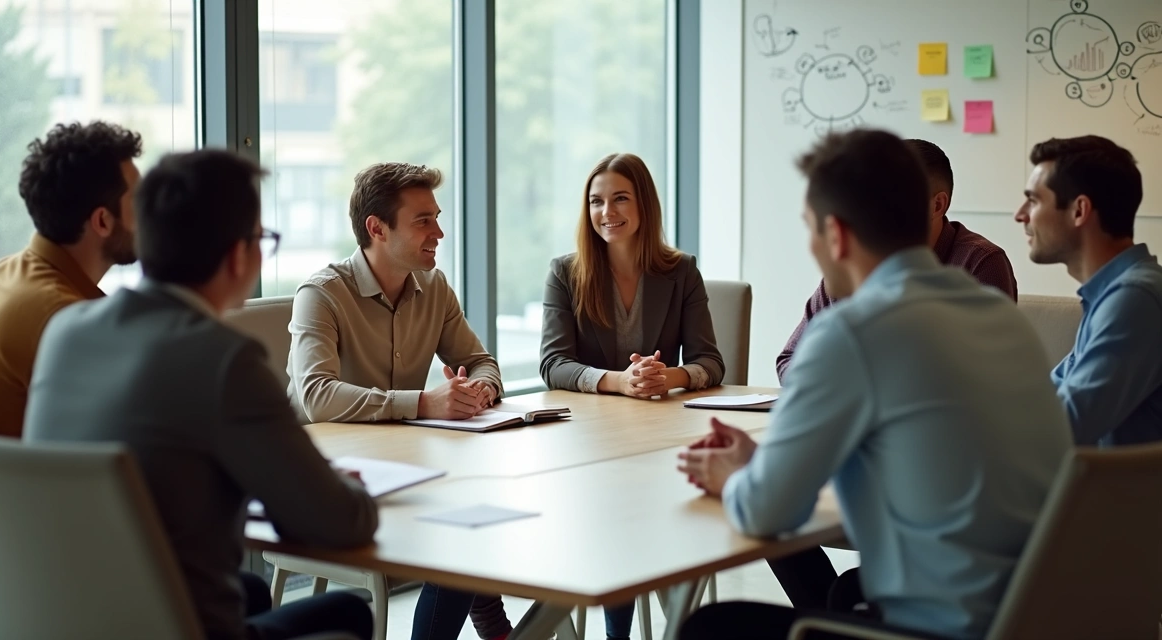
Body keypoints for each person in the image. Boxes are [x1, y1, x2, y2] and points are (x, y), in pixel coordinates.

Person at [676, 129, 1071, 640]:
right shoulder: (1002, 316)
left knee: (713, 627)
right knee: (843, 595)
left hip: (940, 630)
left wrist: (735, 475)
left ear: (836, 235)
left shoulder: (851, 333)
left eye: (809, 229)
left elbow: (766, 512)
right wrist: (765, 465)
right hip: (1035, 617)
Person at [24, 149, 379, 640]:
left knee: (257, 592)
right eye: (262, 240)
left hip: (65, 619)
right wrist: (347, 488)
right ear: (239, 255)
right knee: (348, 616)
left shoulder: (66, 330)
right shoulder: (225, 360)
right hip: (172, 626)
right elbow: (342, 523)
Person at [284, 162, 510, 640]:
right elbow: (315, 396)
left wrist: (478, 391)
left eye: (437, 217)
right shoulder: (322, 293)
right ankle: (494, 623)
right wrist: (424, 403)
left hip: (407, 469)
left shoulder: (435, 287)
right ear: (376, 229)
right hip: (333, 480)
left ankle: (494, 621)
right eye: (423, 220)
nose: (439, 232)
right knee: (462, 535)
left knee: (488, 515)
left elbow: (482, 361)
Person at [0, 120, 142, 616]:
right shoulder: (70, 320)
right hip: (41, 577)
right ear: (103, 221)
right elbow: (139, 460)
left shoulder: (3, 274)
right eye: (140, 203)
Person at [538, 151, 723, 640]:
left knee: (649, 520)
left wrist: (669, 378)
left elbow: (710, 361)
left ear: (644, 205)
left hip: (663, 440)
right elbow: (552, 364)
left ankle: (669, 624)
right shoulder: (565, 272)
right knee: (610, 516)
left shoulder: (681, 271)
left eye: (620, 198)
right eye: (596, 201)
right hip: (588, 445)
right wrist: (619, 380)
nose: (607, 212)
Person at [775, 138, 1016, 383]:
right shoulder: (853, 266)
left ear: (937, 205)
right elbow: (790, 359)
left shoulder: (981, 262)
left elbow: (990, 372)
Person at [1016, 135, 1162, 446]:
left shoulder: (1136, 298)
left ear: (1079, 211)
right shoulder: (1114, 293)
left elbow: (1063, 426)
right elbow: (1049, 395)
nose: (1021, 215)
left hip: (1119, 494)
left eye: (1034, 200)